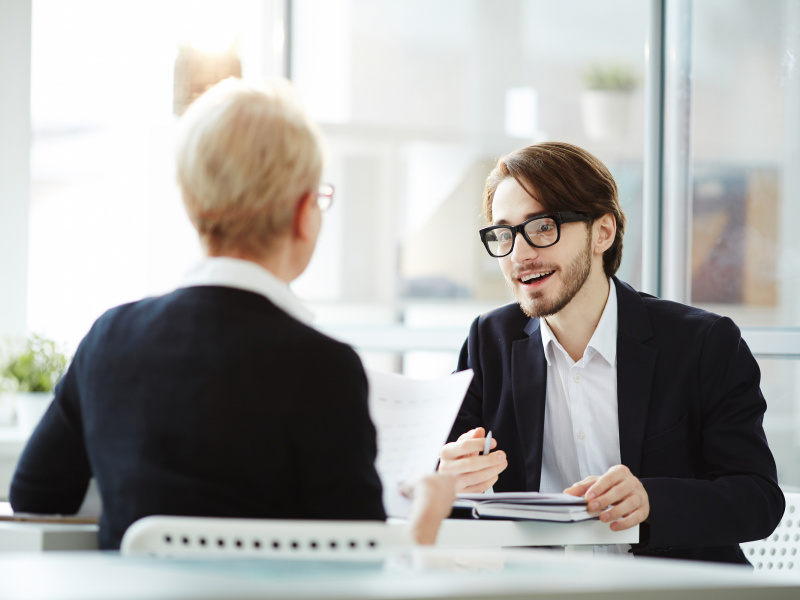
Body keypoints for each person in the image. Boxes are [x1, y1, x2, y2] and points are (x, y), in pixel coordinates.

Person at [10, 77, 454, 550]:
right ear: (306, 212)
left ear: (191, 203)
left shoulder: (108, 338)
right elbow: (358, 566)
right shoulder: (324, 367)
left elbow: (36, 494)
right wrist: (426, 517)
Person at [438, 141, 784, 564]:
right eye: (504, 233)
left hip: (675, 591)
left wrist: (651, 500)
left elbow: (757, 498)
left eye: (543, 226)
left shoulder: (703, 343)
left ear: (603, 232)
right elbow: (450, 506)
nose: (519, 254)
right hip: (539, 590)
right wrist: (449, 482)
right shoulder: (487, 341)